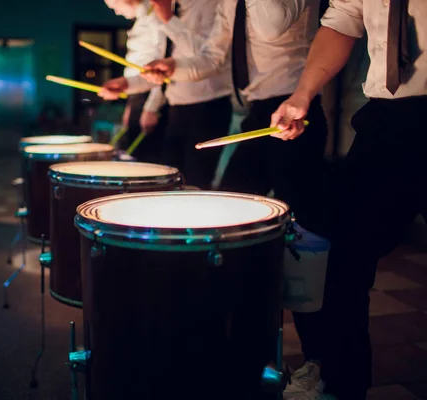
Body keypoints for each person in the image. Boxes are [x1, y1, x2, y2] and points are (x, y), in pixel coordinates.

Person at [141, 2, 328, 396]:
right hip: (259, 112)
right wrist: (174, 68)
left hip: (297, 107)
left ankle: (318, 362)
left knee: (308, 239)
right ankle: (240, 341)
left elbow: (274, 22)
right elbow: (212, 56)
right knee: (230, 220)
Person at [269, 0, 427, 398]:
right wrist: (303, 94)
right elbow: (344, 20)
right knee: (341, 263)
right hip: (387, 118)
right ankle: (340, 386)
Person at [99, 0, 233, 189]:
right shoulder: (167, 8)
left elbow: (209, 58)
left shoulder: (209, 4)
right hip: (176, 106)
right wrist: (126, 84)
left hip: (208, 105)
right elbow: (160, 69)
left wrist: (169, 20)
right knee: (168, 183)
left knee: (195, 185)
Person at [104, 0, 167, 163]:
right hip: (137, 94)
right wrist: (130, 107)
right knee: (133, 156)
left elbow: (162, 64)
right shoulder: (142, 19)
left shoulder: (155, 15)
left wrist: (152, 107)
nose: (116, 11)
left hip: (151, 95)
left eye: (114, 4)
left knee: (146, 159)